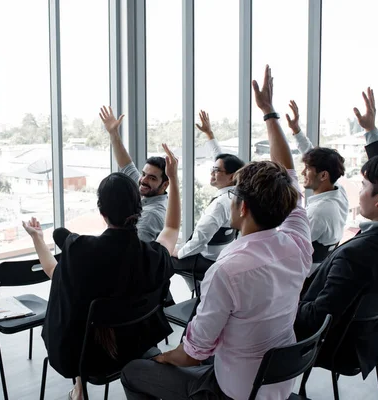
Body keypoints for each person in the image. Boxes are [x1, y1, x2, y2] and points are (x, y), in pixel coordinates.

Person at [121, 65, 313, 400]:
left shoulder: (228, 270)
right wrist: (269, 112)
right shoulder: (298, 243)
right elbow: (289, 176)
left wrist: (161, 358)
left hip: (234, 389)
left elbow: (193, 353)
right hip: (280, 381)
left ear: (241, 208)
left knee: (135, 371)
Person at [22, 144, 181, 400]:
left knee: (75, 300)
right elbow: (172, 228)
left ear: (102, 212)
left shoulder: (80, 250)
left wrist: (38, 239)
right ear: (138, 210)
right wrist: (173, 180)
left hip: (87, 358)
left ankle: (79, 389)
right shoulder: (153, 257)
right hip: (134, 346)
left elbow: (54, 272)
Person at [294, 87, 378, 379]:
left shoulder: (357, 256)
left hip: (335, 345)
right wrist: (371, 133)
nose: (359, 192)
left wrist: (278, 303)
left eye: (365, 186)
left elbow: (317, 319)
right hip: (367, 339)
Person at [172, 110, 245, 286]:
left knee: (164, 260)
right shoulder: (238, 193)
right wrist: (209, 135)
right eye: (212, 169)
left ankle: (164, 304)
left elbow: (200, 240)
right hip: (222, 255)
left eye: (216, 171)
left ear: (231, 176)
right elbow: (221, 160)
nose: (212, 174)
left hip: (207, 261)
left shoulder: (219, 204)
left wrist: (178, 252)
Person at [286, 100, 348, 267]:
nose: (302, 172)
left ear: (323, 175)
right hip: (319, 267)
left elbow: (286, 249)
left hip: (303, 276)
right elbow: (313, 155)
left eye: (307, 168)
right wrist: (296, 130)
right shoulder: (338, 191)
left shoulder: (317, 213)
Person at [100, 106, 168, 242]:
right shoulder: (149, 189)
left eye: (152, 178)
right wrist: (113, 133)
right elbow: (126, 164)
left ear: (165, 184)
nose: (143, 180)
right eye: (144, 174)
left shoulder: (150, 216)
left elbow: (134, 254)